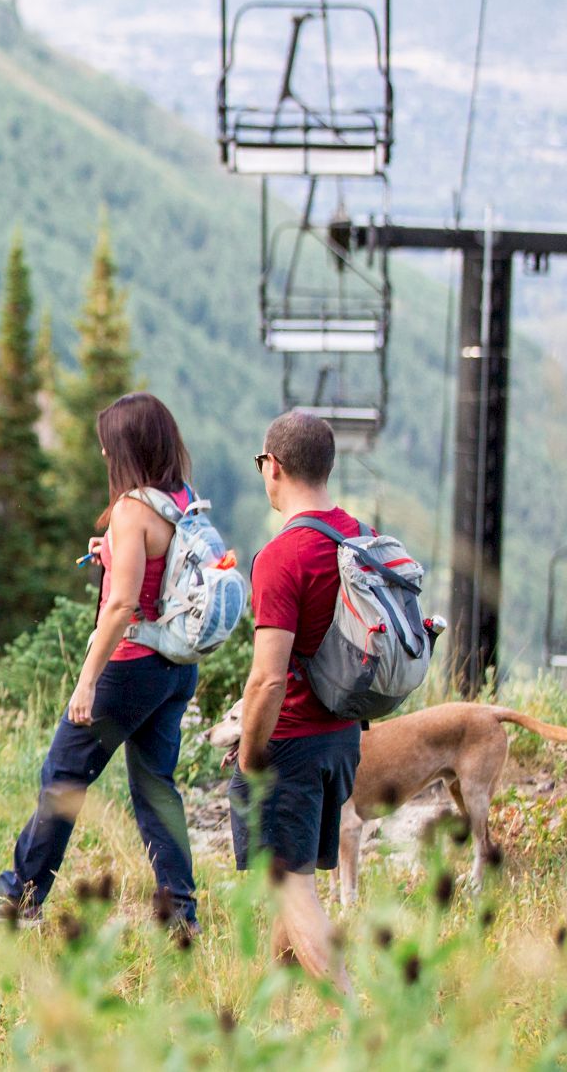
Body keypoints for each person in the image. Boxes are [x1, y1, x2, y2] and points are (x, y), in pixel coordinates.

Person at [0, 393, 205, 932]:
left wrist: (87, 681)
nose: (102, 455)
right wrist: (114, 552)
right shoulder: (180, 499)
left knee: (64, 777)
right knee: (156, 787)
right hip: (175, 667)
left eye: (107, 446)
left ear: (125, 449)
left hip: (130, 664)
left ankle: (18, 897)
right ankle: (180, 916)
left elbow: (121, 605)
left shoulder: (130, 509)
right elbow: (156, 571)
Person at [227, 410, 359, 987]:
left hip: (293, 745)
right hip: (343, 740)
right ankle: (279, 1019)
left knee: (291, 888)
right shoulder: (356, 536)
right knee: (294, 874)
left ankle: (364, 1024)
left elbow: (267, 680)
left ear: (272, 467)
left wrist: (251, 754)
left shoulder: (282, 557)